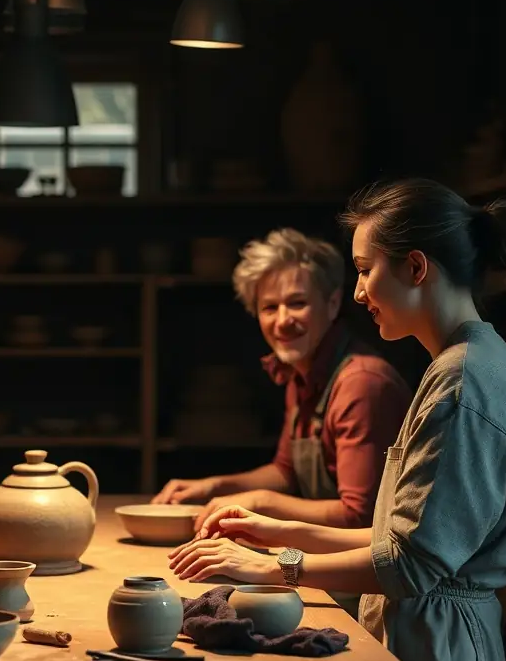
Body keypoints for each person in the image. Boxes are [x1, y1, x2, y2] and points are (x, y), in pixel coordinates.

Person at [170, 179, 506, 661]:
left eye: (367, 270)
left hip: (437, 655)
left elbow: (408, 567)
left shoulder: (465, 384)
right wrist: (275, 530)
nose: (358, 292)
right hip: (424, 639)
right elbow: (399, 540)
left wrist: (274, 567)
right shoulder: (460, 365)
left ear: (415, 269)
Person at [154, 228, 412, 534]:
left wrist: (260, 502)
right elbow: (286, 472)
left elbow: (360, 516)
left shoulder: (361, 384)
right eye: (269, 307)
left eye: (297, 303)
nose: (282, 320)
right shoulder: (301, 370)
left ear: (332, 304)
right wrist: (214, 486)